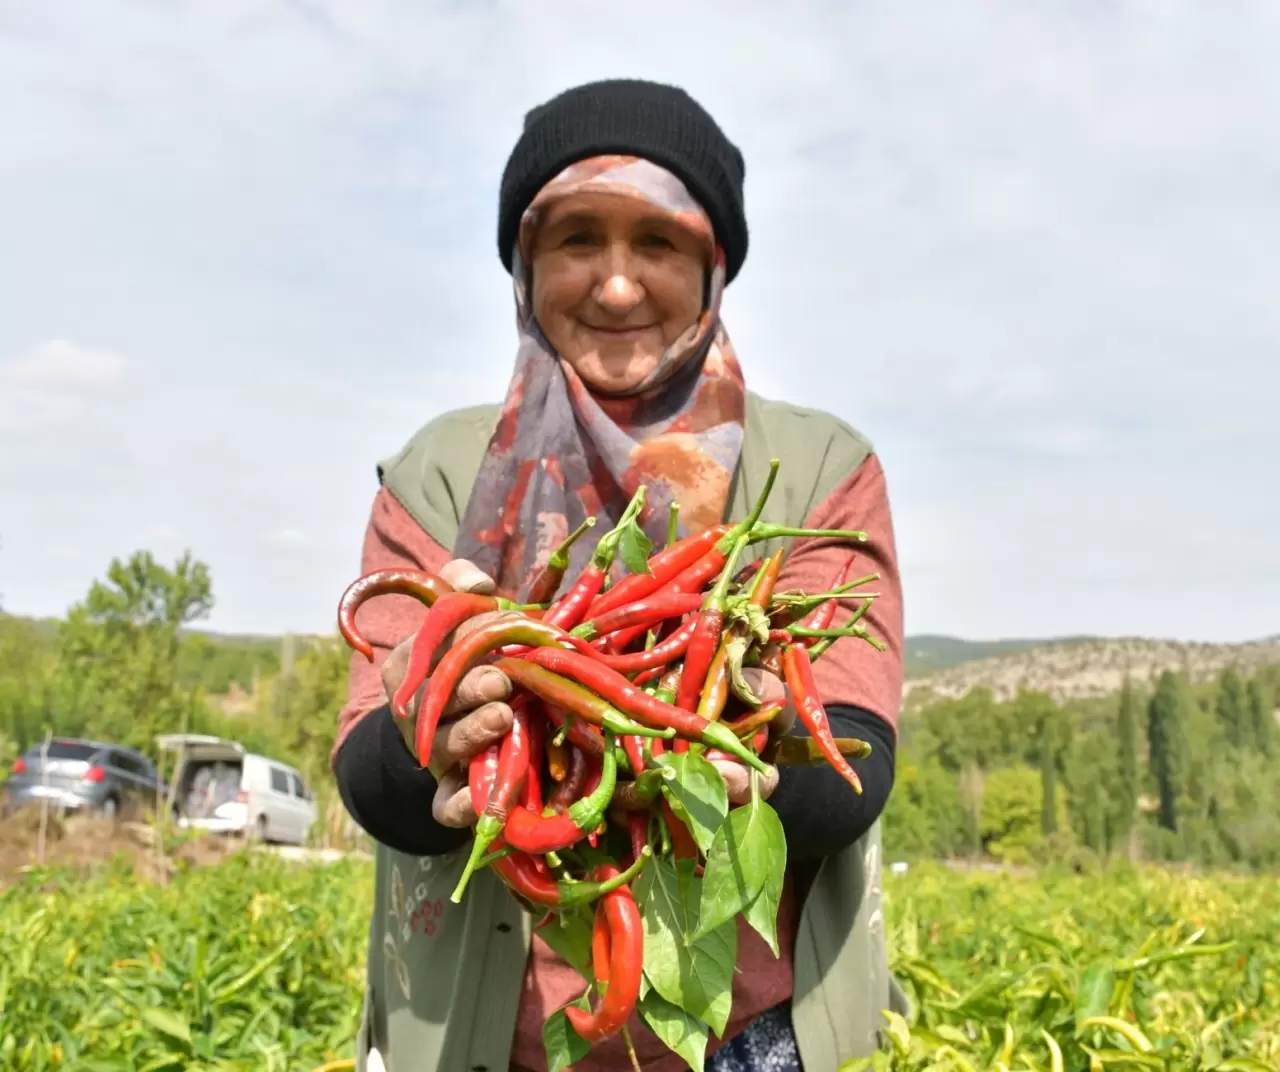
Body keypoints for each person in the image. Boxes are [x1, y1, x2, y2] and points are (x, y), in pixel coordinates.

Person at [332, 77, 906, 1072]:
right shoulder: (443, 472)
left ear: (710, 263)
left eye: (656, 241)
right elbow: (373, 781)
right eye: (575, 239)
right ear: (524, 262)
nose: (614, 283)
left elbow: (852, 760)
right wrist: (424, 724)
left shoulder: (816, 467)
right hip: (481, 1042)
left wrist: (756, 746)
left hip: (750, 1044)